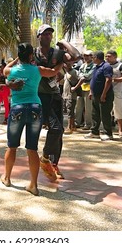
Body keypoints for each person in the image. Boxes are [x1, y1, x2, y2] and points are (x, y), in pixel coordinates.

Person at [1, 43, 65, 196]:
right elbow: (55, 72)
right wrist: (62, 62)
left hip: (17, 108)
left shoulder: (12, 70)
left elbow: (4, 70)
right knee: (32, 148)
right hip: (36, 108)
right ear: (31, 56)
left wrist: (17, 59)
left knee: (12, 146)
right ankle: (33, 185)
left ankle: (7, 178)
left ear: (19, 56)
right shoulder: (38, 70)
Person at [34, 24, 76, 181]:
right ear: (39, 36)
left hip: (55, 96)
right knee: (55, 128)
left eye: (50, 34)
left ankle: (53, 162)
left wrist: (64, 43)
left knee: (59, 132)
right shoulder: (33, 53)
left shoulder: (57, 53)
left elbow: (75, 56)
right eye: (44, 34)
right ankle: (44, 159)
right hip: (39, 96)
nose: (48, 37)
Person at [84, 51, 114, 141]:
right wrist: (91, 92)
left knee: (105, 114)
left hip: (104, 94)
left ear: (97, 57)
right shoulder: (96, 67)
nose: (92, 59)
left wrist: (104, 94)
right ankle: (94, 131)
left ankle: (108, 133)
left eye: (93, 57)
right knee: (95, 113)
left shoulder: (106, 66)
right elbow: (94, 80)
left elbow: (108, 80)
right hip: (95, 94)